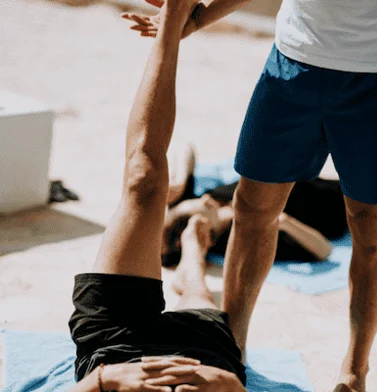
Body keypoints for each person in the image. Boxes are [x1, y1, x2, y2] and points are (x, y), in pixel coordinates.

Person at [126, 1, 377, 391]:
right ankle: (232, 348)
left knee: (372, 227)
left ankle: (355, 369)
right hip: (293, 62)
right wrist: (197, 18)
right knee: (250, 210)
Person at [66, 2, 248, 392]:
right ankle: (191, 256)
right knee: (197, 290)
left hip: (113, 343)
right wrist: (234, 387)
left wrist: (102, 380)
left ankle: (173, 19)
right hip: (205, 358)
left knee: (144, 180)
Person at [162, 154, 348, 268]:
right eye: (204, 205)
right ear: (203, 232)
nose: (205, 198)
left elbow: (186, 148)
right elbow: (324, 250)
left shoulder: (202, 203)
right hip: (338, 208)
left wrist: (178, 183)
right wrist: (284, 222)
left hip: (316, 181)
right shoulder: (247, 237)